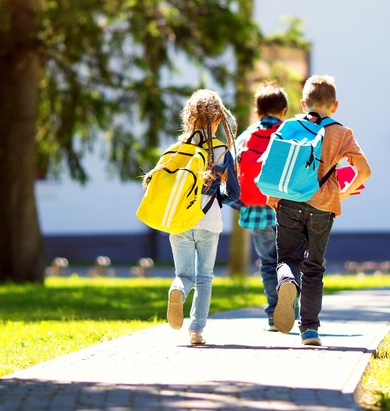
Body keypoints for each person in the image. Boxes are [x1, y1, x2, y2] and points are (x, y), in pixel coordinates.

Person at [269, 75, 371, 346]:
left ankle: (288, 281)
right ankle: (310, 331)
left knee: (287, 259)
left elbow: (274, 164)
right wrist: (344, 192)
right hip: (323, 207)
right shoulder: (342, 132)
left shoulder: (288, 127)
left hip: (288, 202)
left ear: (303, 103)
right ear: (334, 106)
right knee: (314, 267)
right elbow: (365, 171)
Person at [145, 89, 240, 345]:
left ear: (188, 119)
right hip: (209, 220)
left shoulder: (176, 150)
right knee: (204, 277)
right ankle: (196, 331)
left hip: (178, 220)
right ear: (219, 120)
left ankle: (177, 289)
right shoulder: (221, 152)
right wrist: (218, 194)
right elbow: (234, 193)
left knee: (184, 274)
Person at [234, 84, 290, 331]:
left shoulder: (246, 136)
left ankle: (272, 315)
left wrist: (239, 204)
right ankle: (291, 312)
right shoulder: (290, 132)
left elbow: (232, 170)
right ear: (284, 110)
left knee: (268, 262)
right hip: (288, 208)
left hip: (257, 209)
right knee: (290, 260)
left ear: (257, 112)